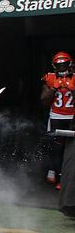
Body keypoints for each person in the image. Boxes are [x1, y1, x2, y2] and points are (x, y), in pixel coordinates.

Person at [40, 52, 75, 188]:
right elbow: (43, 101)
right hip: (57, 118)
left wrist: (72, 89)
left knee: (71, 149)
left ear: (70, 64)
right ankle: (56, 174)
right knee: (57, 149)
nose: (62, 68)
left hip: (72, 118)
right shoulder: (50, 78)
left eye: (64, 65)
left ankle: (67, 178)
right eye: (59, 65)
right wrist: (54, 87)